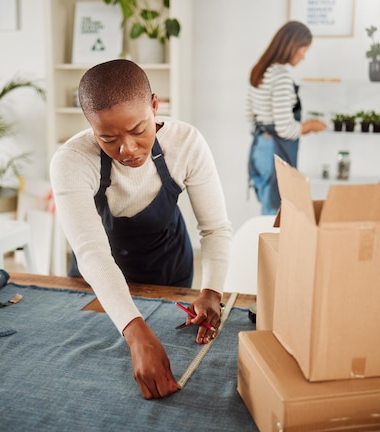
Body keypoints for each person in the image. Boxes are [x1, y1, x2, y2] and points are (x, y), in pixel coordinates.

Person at [50, 59, 232, 399]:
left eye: (138, 130)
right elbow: (91, 253)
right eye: (108, 138)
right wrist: (135, 332)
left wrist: (211, 292)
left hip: (167, 267)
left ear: (154, 105)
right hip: (97, 276)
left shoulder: (186, 143)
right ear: (91, 127)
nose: (128, 149)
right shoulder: (72, 160)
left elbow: (216, 228)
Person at [246, 21, 327, 215]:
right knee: (275, 212)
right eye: (303, 50)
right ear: (292, 45)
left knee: (267, 208)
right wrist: (310, 126)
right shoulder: (281, 77)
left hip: (259, 149)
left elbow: (250, 115)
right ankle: (272, 246)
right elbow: (285, 129)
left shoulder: (259, 71)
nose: (303, 56)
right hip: (275, 152)